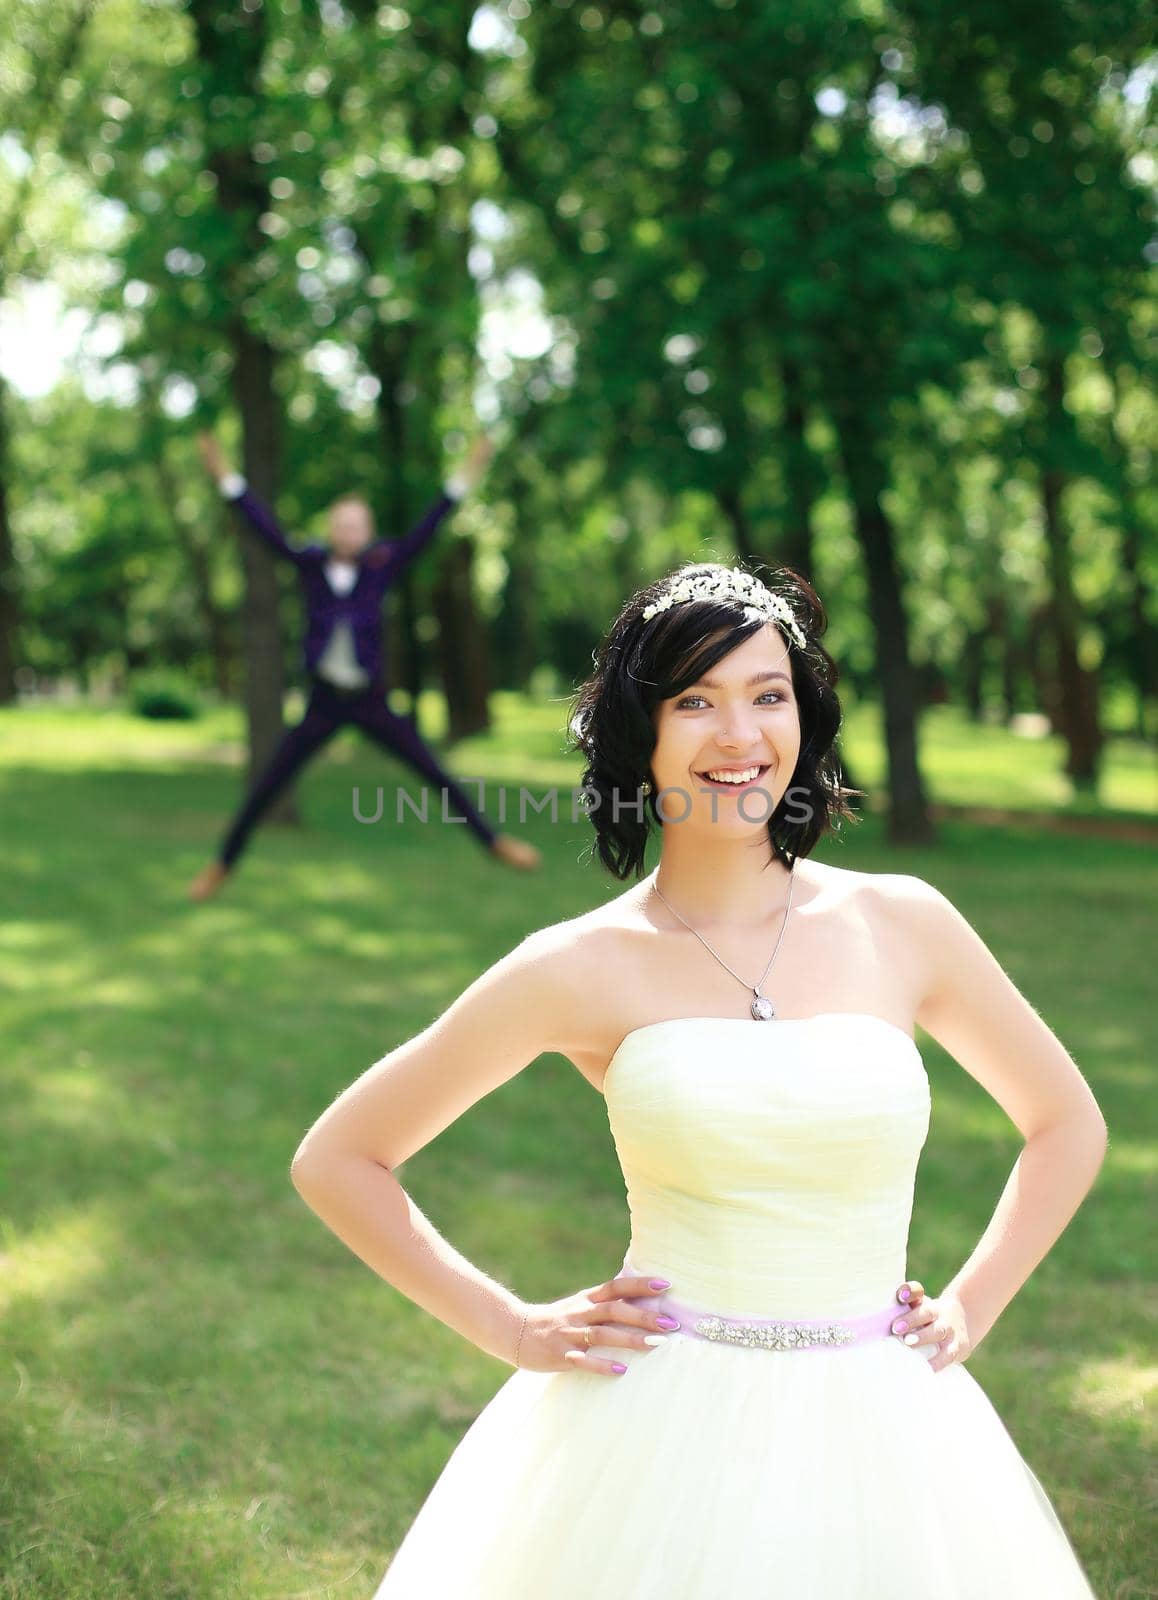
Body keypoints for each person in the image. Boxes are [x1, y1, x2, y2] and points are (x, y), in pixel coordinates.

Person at [289, 561, 1106, 1597]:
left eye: (768, 696)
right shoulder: (578, 964)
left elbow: (1065, 1121)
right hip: (653, 1418)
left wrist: (974, 1304)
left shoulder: (904, 923)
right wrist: (512, 1326)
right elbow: (341, 1158)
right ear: (644, 730)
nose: (739, 736)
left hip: (889, 1420)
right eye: (697, 702)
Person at [187, 431, 541, 900]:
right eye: (343, 525)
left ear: (368, 532)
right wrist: (223, 474)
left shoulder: (382, 565)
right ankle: (222, 865)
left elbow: (432, 523)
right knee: (268, 782)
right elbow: (261, 525)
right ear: (331, 530)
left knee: (433, 772)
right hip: (324, 702)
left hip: (371, 700)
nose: (350, 533)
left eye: (358, 526)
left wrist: (471, 468)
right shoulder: (310, 564)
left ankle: (493, 842)